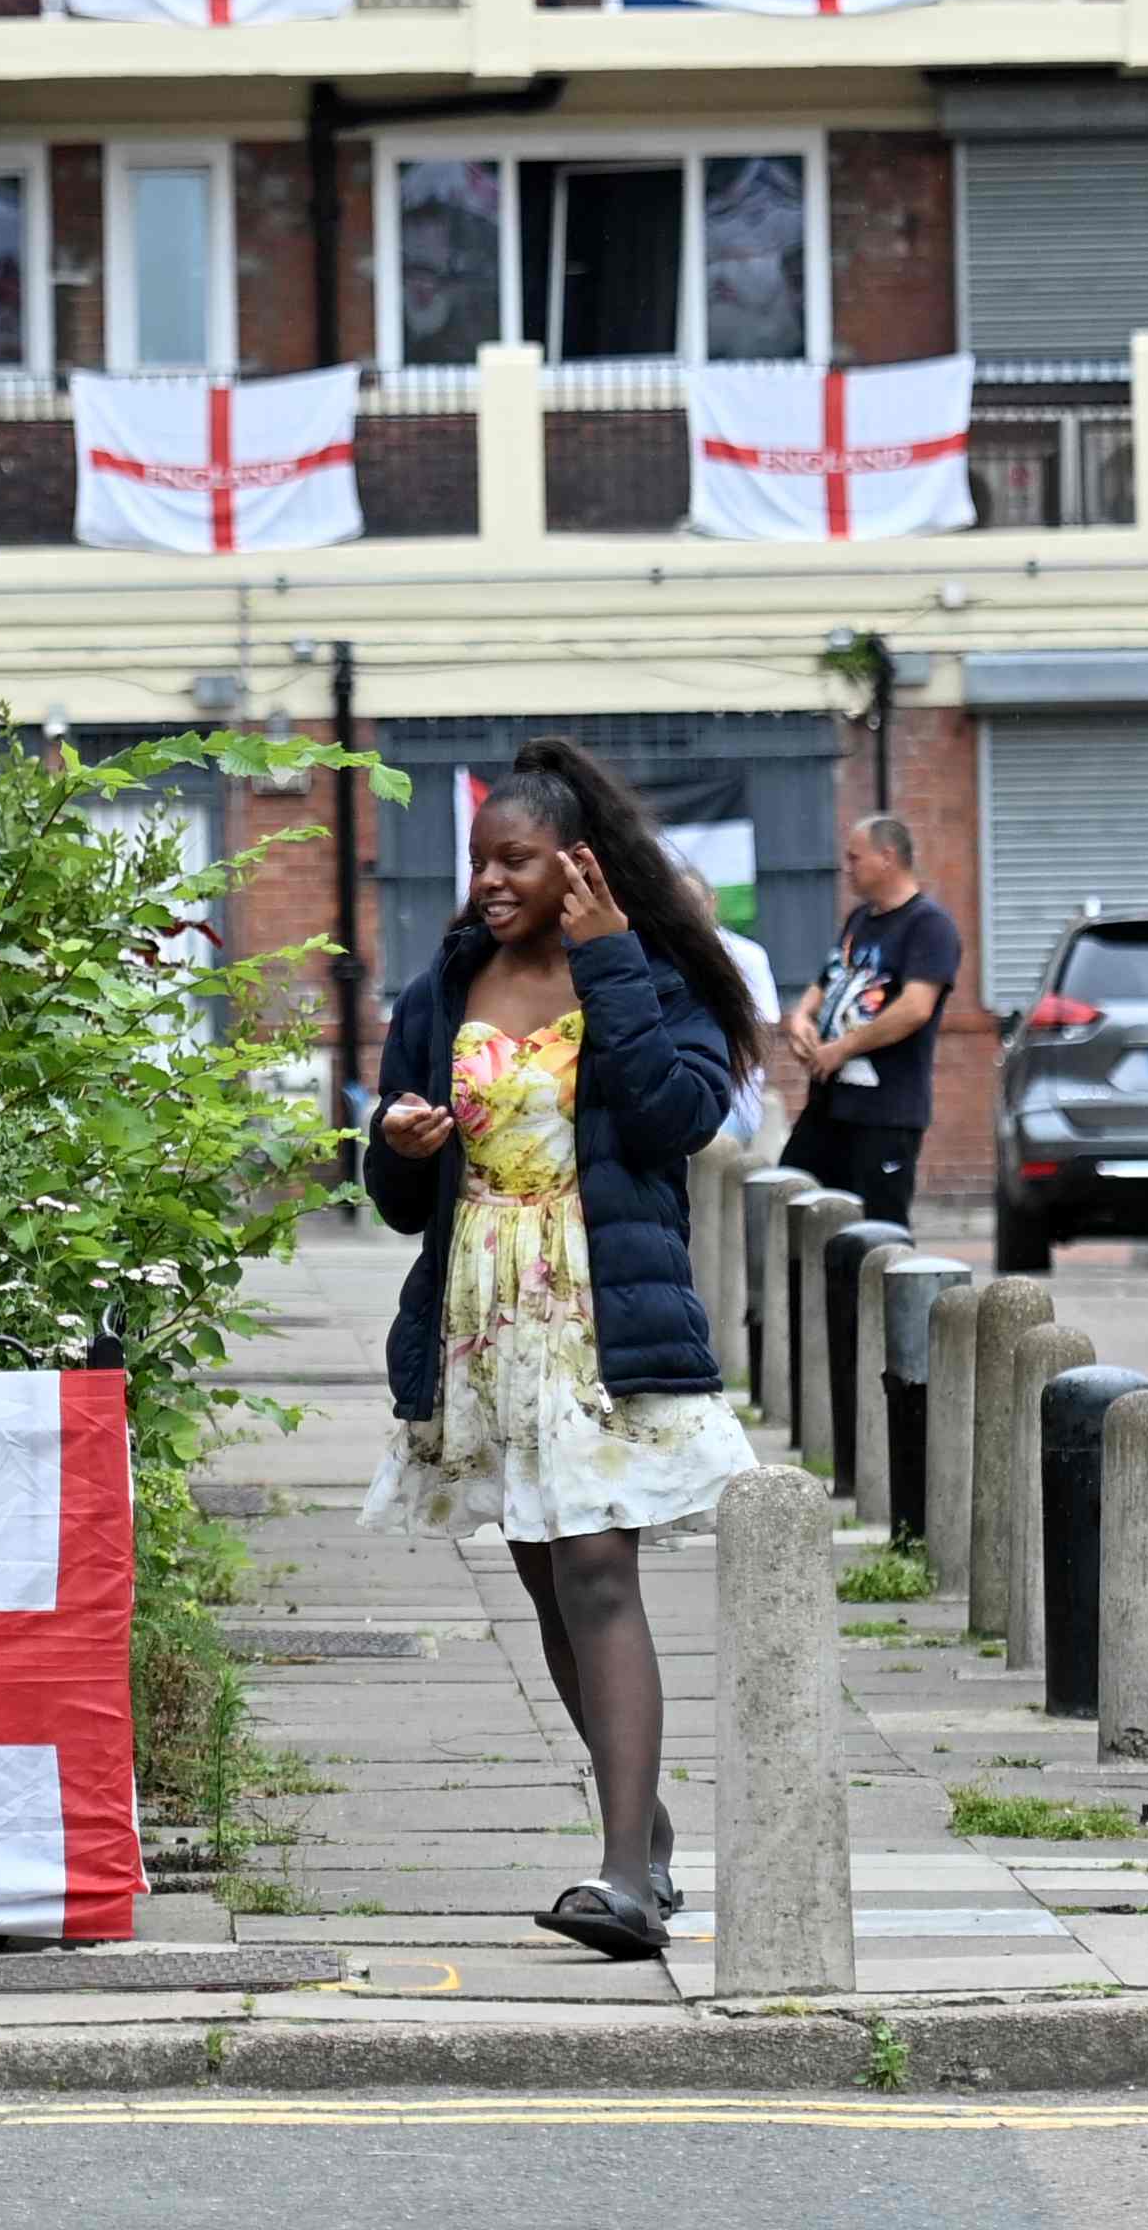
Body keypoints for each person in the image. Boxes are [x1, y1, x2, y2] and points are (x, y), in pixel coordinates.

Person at [355, 736, 758, 1962]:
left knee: (596, 1571)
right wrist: (400, 1145)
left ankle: (625, 1877)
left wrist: (612, 960)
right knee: (543, 1583)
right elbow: (394, 1193)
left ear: (575, 865)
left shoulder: (641, 972)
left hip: (598, 1311)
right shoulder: (444, 989)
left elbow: (678, 1117)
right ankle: (648, 1830)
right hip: (485, 1317)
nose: (489, 881)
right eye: (481, 860)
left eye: (514, 859)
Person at [783, 813, 963, 1235]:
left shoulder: (929, 926)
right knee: (794, 1204)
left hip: (885, 1112)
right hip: (829, 1103)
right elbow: (826, 980)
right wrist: (800, 1018)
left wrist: (842, 1048)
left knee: (876, 1229)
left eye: (854, 858)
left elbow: (916, 1007)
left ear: (887, 857)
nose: (847, 868)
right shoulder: (859, 921)